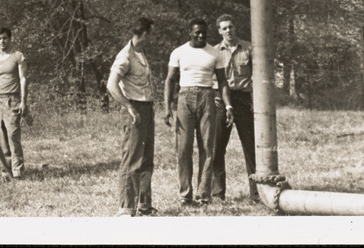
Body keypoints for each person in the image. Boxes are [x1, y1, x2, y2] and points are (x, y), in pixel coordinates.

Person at [164, 18, 232, 208]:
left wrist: (228, 106)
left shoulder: (215, 53)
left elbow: (223, 82)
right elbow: (170, 80)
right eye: (197, 32)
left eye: (204, 32)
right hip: (185, 97)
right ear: (190, 32)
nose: (201, 35)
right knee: (183, 149)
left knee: (207, 148)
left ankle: (204, 195)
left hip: (207, 97)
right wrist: (167, 107)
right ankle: (185, 196)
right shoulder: (179, 52)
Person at [106, 17, 158, 217]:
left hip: (146, 107)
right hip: (134, 108)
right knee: (132, 158)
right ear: (145, 34)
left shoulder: (141, 53)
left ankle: (144, 204)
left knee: (146, 158)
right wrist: (129, 107)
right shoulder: (125, 56)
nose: (152, 38)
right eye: (151, 33)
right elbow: (111, 85)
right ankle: (127, 207)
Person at [210, 14, 257, 203]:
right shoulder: (213, 52)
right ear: (219, 31)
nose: (228, 30)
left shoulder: (249, 48)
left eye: (231, 26)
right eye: (224, 28)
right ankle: (217, 194)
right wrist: (214, 97)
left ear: (235, 27)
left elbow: (259, 73)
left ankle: (257, 194)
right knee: (217, 147)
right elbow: (208, 78)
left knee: (251, 147)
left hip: (244, 99)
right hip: (221, 100)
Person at [0, 27, 28, 181]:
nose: (2, 41)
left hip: (12, 100)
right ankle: (6, 171)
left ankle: (18, 171)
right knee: (0, 137)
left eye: (5, 38)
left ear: (10, 39)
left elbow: (23, 79)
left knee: (13, 135)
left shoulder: (17, 56)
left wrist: (23, 101)